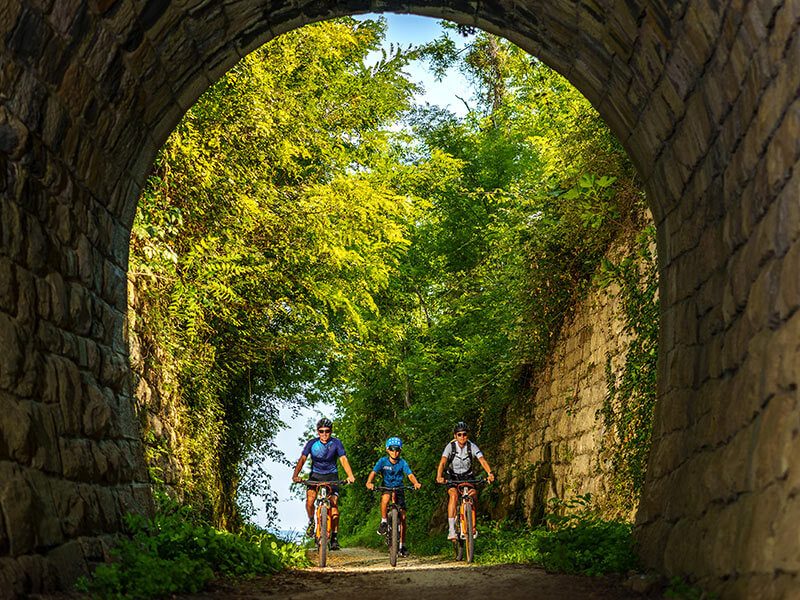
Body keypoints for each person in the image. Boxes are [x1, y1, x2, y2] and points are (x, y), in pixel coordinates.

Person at [292, 417, 355, 550]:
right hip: (315, 476)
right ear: (317, 431)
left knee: (334, 504)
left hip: (332, 475)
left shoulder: (336, 443)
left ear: (331, 431)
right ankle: (311, 521)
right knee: (310, 501)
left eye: (327, 431)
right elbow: (303, 459)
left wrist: (350, 475)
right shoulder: (312, 443)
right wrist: (296, 475)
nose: (324, 434)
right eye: (321, 431)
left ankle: (334, 537)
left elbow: (343, 459)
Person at [435, 421, 495, 541]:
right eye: (459, 434)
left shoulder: (471, 446)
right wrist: (439, 476)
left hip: (467, 476)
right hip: (453, 476)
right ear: (455, 436)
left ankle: (471, 523)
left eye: (464, 434)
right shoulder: (450, 447)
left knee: (473, 495)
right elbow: (442, 463)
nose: (462, 437)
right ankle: (452, 529)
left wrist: (490, 473)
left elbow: (482, 460)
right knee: (453, 495)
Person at [366, 437, 422, 557]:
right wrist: (369, 482)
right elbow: (374, 472)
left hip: (399, 488)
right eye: (392, 449)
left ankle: (402, 545)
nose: (394, 452)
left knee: (403, 517)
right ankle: (384, 522)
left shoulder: (402, 462)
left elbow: (410, 474)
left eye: (397, 450)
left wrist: (415, 483)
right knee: (385, 499)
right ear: (387, 450)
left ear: (400, 450)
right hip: (387, 486)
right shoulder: (382, 461)